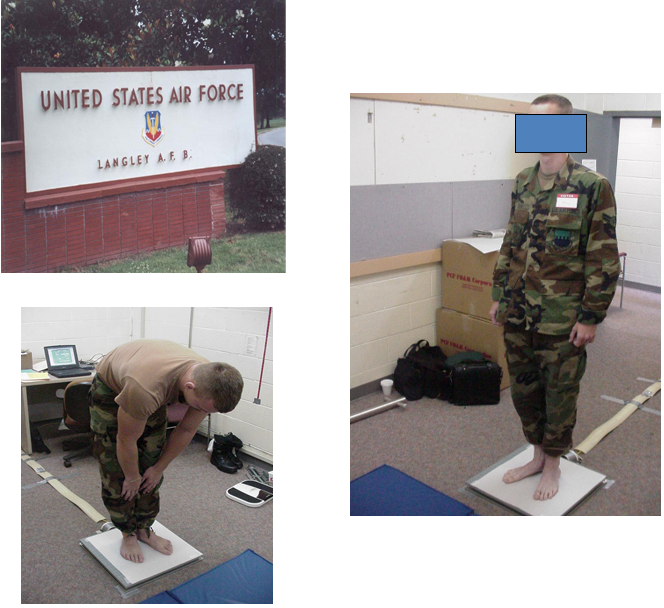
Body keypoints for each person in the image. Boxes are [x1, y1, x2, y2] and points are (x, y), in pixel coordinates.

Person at [489, 94, 620, 501]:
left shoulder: (591, 186)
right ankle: (535, 455)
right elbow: (510, 242)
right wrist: (498, 294)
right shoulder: (523, 181)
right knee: (526, 394)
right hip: (518, 313)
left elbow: (602, 256)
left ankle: (553, 466)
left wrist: (591, 316)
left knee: (559, 396)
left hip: (561, 319)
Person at [90, 339, 243, 563]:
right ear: (189, 388)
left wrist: (159, 468)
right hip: (113, 386)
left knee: (151, 465)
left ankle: (144, 529)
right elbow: (125, 439)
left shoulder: (208, 381)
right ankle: (128, 533)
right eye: (200, 407)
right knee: (118, 469)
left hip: (152, 382)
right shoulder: (145, 389)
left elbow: (187, 428)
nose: (199, 412)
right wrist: (132, 477)